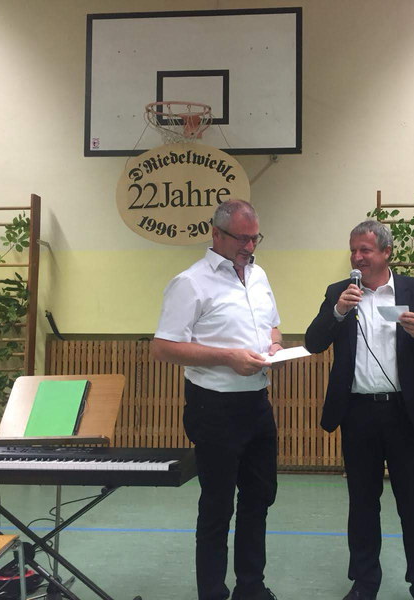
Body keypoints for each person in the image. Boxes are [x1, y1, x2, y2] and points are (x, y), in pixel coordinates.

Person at [305, 220, 414, 600]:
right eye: (353, 250)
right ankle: (364, 582)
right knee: (362, 504)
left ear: (387, 252)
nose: (357, 257)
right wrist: (338, 311)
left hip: (405, 414)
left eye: (365, 250)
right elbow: (313, 341)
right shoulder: (339, 293)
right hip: (358, 414)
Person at [151, 199, 281, 600]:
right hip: (214, 407)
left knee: (259, 499)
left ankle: (251, 587)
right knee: (218, 506)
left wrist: (275, 347)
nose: (249, 246)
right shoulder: (190, 282)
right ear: (216, 234)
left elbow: (273, 327)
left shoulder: (258, 276)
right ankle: (212, 592)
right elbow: (163, 348)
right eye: (242, 238)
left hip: (257, 403)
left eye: (255, 238)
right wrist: (227, 357)